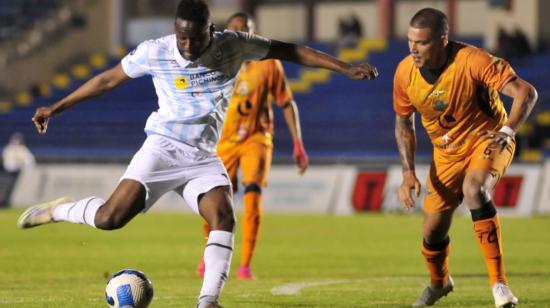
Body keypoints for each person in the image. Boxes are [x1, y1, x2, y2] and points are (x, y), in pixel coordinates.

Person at [16, 1, 378, 307]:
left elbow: (290, 50)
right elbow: (108, 79)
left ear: (211, 29)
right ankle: (57, 210)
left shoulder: (234, 44)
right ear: (175, 31)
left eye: (195, 36)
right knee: (111, 218)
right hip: (162, 147)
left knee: (223, 216)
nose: (187, 45)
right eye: (182, 36)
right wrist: (57, 107)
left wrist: (345, 67)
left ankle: (208, 300)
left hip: (203, 156)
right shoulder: (156, 51)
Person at [393, 8, 537, 308]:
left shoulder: (473, 60)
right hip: (445, 155)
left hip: (487, 139)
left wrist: (508, 130)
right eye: (410, 42)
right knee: (432, 230)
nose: (413, 49)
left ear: (442, 40)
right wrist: (408, 172)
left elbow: (527, 92)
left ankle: (500, 284)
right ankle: (439, 282)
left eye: (421, 43)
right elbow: (404, 123)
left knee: (475, 189)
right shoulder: (404, 72)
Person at [195, 12, 309, 280]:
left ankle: (245, 264)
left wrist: (298, 144)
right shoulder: (218, 64)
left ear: (252, 34)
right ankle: (209, 253)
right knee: (212, 202)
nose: (240, 35)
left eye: (245, 30)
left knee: (253, 197)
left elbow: (286, 103)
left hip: (257, 140)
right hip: (224, 143)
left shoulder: (269, 66)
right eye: (235, 30)